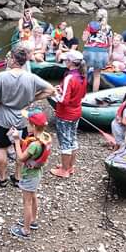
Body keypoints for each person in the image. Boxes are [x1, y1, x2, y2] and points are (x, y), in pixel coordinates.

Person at [0, 47, 55, 188]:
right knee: (20, 146)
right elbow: (50, 90)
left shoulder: (1, 76)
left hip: (3, 118)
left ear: (14, 59)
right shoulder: (31, 77)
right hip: (21, 117)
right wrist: (32, 99)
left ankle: (2, 179)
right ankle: (17, 177)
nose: (7, 59)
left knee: (1, 148)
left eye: (9, 57)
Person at [9, 108, 51, 239]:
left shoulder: (34, 145)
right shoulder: (44, 137)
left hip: (29, 176)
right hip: (37, 174)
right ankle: (32, 220)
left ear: (33, 126)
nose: (27, 124)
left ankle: (26, 230)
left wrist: (16, 140)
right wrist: (22, 140)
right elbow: (31, 150)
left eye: (28, 123)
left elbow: (21, 158)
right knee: (33, 196)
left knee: (26, 202)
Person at [50, 50, 87, 178]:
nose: (65, 61)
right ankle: (70, 167)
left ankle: (64, 170)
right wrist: (62, 90)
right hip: (76, 112)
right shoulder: (82, 76)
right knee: (73, 139)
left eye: (66, 60)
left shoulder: (69, 77)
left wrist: (53, 93)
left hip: (65, 114)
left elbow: (64, 101)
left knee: (65, 142)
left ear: (70, 62)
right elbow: (81, 95)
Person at [82, 14, 113, 92]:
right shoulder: (108, 28)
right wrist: (109, 56)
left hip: (89, 50)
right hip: (102, 52)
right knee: (97, 75)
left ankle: (81, 91)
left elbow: (84, 39)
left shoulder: (90, 25)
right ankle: (94, 94)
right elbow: (110, 43)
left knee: (84, 73)